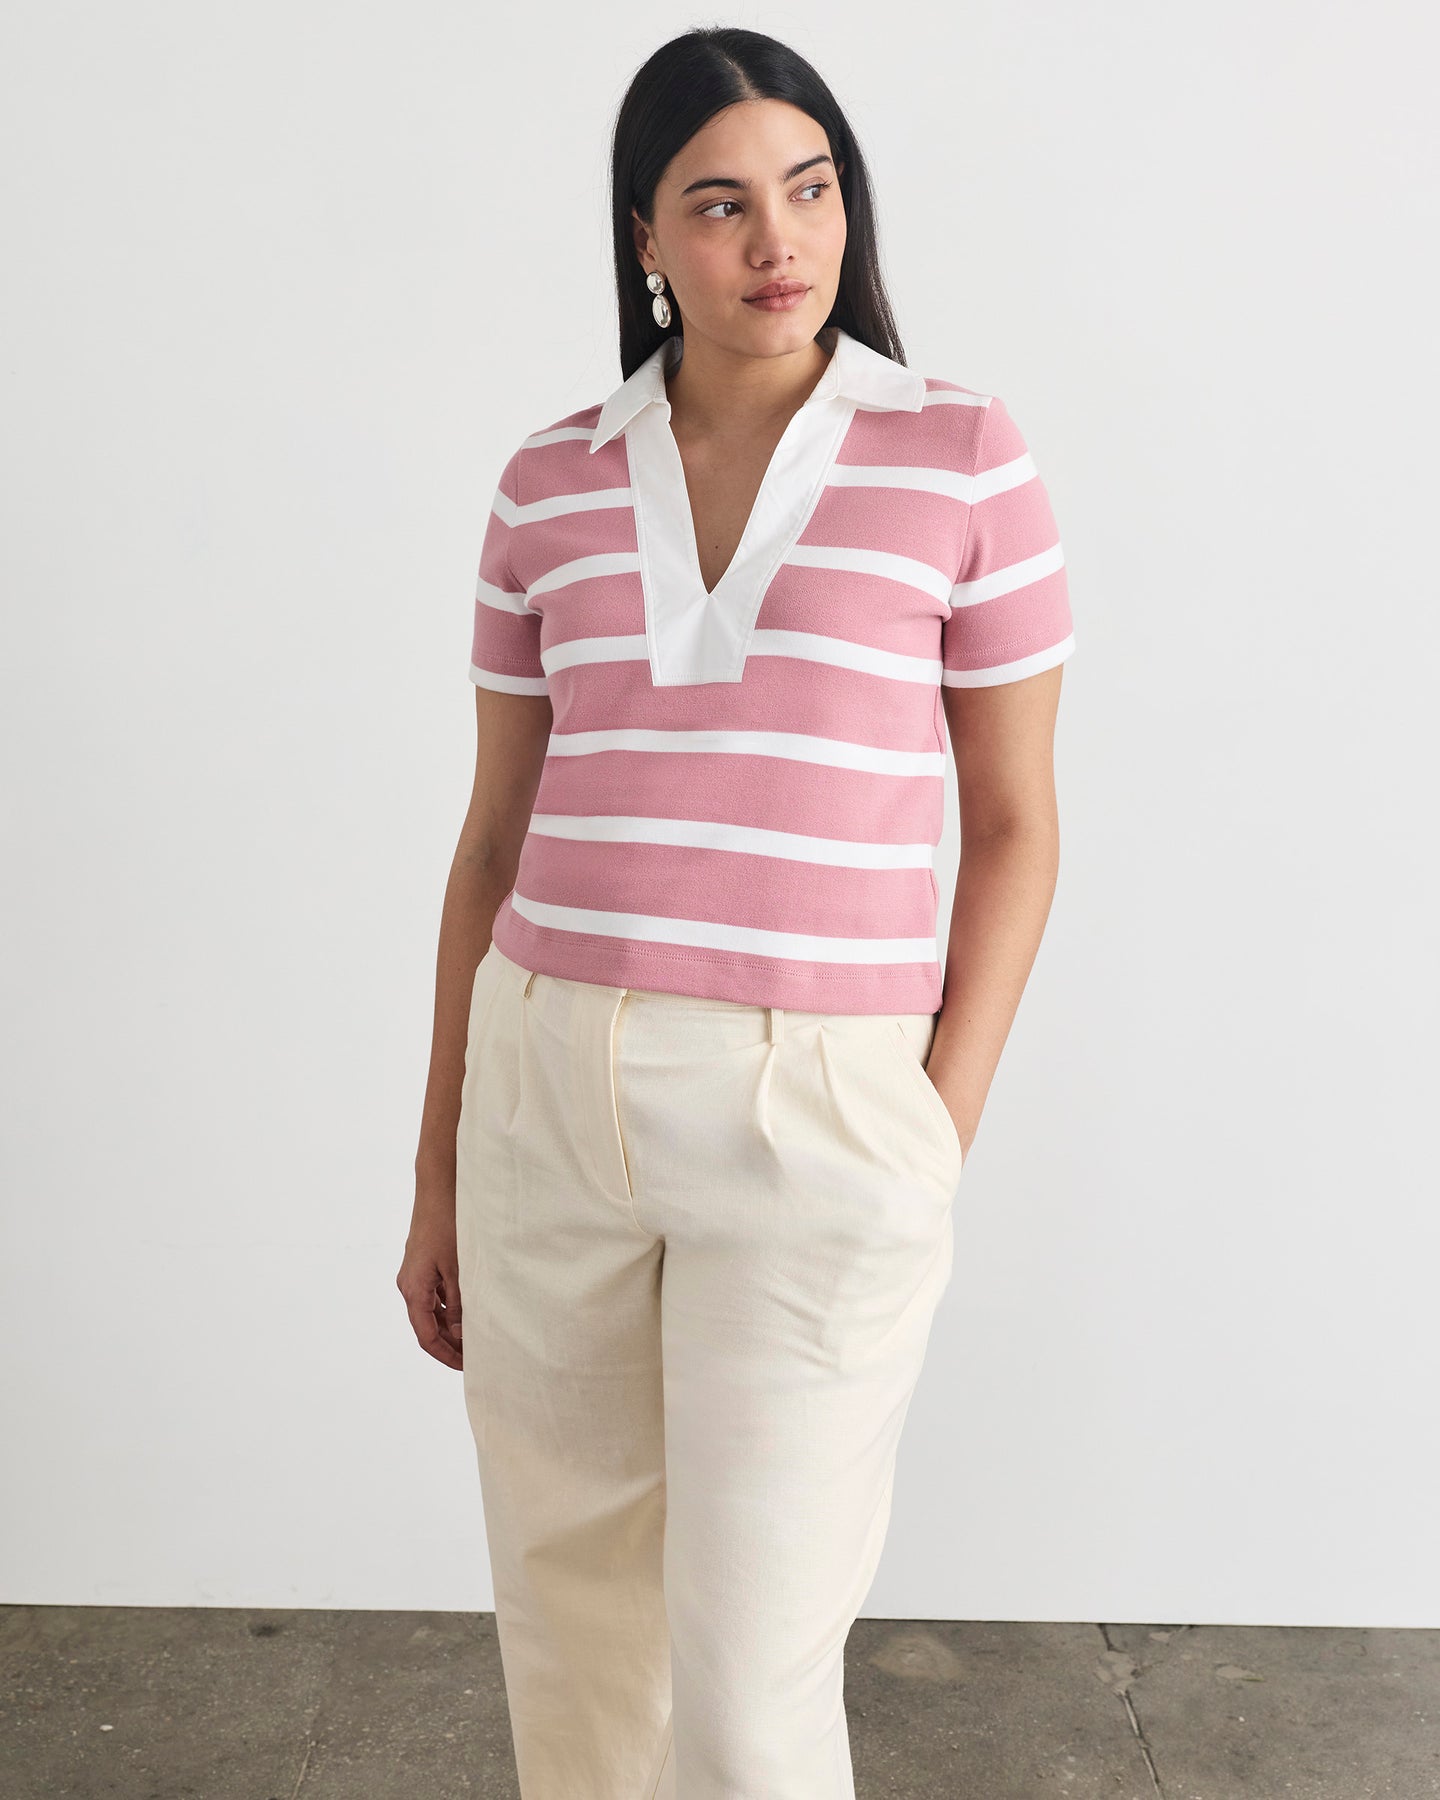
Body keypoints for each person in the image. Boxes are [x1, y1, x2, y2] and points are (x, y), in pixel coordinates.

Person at [397, 24, 1074, 1800]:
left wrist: (929, 1131)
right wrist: (439, 1163)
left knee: (754, 1673)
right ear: (645, 236)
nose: (780, 239)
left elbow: (1016, 827)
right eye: (719, 203)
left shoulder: (959, 454)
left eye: (811, 187)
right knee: (574, 1637)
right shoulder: (548, 478)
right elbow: (493, 842)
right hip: (547, 1093)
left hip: (819, 1106)